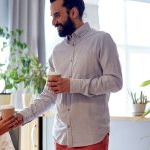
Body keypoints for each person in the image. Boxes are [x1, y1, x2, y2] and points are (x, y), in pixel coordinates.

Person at [15, 0, 123, 149]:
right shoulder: (57, 52)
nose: (53, 22)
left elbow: (115, 81)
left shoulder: (102, 40)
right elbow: (49, 95)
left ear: (73, 12)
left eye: (57, 15)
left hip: (92, 138)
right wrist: (22, 116)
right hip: (61, 138)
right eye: (52, 16)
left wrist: (72, 85)